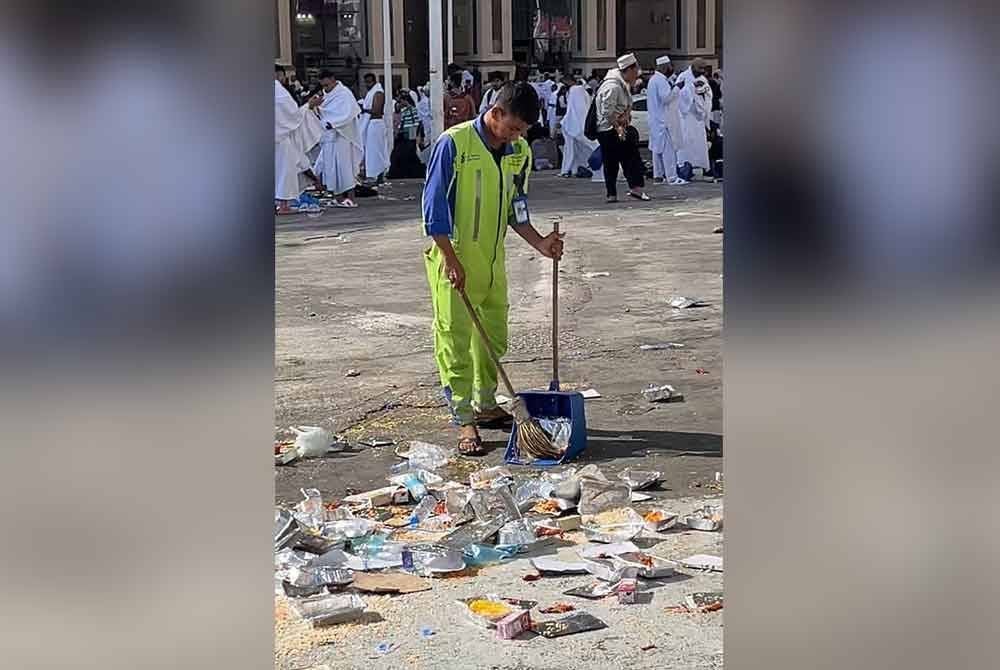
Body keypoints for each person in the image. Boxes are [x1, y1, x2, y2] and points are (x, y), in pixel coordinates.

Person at [421, 81, 564, 455]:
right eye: (513, 128)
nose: (516, 136)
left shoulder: (518, 152)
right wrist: (450, 259)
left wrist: (541, 243)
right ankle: (463, 417)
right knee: (454, 339)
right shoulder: (454, 144)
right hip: (454, 256)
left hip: (492, 257)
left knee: (493, 335)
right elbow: (434, 209)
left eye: (522, 131)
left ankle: (485, 402)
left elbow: (517, 207)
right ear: (496, 113)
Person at [594, 53, 649, 203]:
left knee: (631, 158)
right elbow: (607, 111)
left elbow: (626, 104)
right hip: (609, 130)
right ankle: (612, 193)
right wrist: (617, 127)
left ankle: (635, 188)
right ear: (629, 70)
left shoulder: (623, 84)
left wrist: (626, 116)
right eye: (635, 72)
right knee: (611, 161)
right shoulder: (612, 86)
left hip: (621, 126)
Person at [275, 66, 325, 213]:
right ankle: (283, 205)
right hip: (281, 139)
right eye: (282, 76)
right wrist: (308, 106)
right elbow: (293, 117)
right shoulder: (279, 92)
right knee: (285, 171)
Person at [312, 70, 363, 208]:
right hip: (329, 137)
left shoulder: (344, 93)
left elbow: (348, 113)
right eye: (323, 86)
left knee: (345, 168)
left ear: (333, 79)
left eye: (327, 85)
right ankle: (337, 198)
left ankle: (351, 198)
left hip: (343, 136)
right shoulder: (325, 95)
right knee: (331, 169)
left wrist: (333, 122)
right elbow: (322, 111)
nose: (326, 88)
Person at [646, 55, 687, 185]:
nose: (671, 69)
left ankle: (658, 176)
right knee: (668, 151)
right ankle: (672, 177)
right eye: (669, 66)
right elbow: (666, 98)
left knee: (657, 150)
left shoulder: (653, 80)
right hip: (664, 122)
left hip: (655, 121)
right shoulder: (660, 81)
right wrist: (677, 87)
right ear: (664, 67)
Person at [558, 76, 600, 180]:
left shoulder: (576, 91)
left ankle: (570, 170)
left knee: (571, 149)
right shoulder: (580, 91)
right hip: (575, 124)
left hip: (573, 124)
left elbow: (577, 108)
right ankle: (571, 170)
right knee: (574, 149)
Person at [676, 58, 711, 181]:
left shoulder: (703, 79)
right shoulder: (683, 77)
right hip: (686, 117)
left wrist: (702, 92)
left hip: (698, 118)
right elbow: (678, 94)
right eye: (700, 68)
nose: (702, 71)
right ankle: (685, 170)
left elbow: (708, 94)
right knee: (686, 146)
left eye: (703, 69)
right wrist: (692, 88)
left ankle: (700, 170)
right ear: (693, 67)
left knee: (699, 146)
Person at [359, 73, 390, 184]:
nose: (367, 85)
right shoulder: (371, 93)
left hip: (376, 124)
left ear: (374, 81)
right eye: (366, 82)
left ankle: (376, 176)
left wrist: (363, 109)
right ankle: (375, 176)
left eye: (369, 82)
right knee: (372, 151)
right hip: (371, 124)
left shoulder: (378, 92)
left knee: (376, 151)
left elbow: (377, 110)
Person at [387, 90, 425, 179]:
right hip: (404, 134)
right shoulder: (404, 110)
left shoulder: (412, 110)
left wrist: (416, 136)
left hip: (410, 133)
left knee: (406, 153)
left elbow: (416, 123)